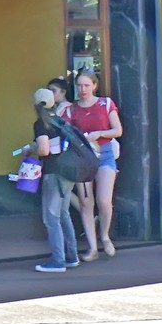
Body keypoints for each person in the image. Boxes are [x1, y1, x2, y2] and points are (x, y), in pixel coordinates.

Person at [64, 68, 123, 259]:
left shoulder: (106, 104)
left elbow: (118, 130)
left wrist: (100, 134)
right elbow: (65, 133)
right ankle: (92, 248)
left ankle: (104, 235)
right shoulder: (71, 109)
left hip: (105, 153)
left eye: (87, 85)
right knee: (85, 203)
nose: (83, 89)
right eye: (80, 85)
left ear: (94, 86)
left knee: (104, 200)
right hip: (82, 157)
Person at [31, 86, 86, 273]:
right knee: (64, 214)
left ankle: (58, 260)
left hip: (52, 173)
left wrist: (31, 149)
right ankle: (72, 256)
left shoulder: (41, 124)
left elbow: (44, 150)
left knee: (51, 218)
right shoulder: (60, 121)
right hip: (68, 173)